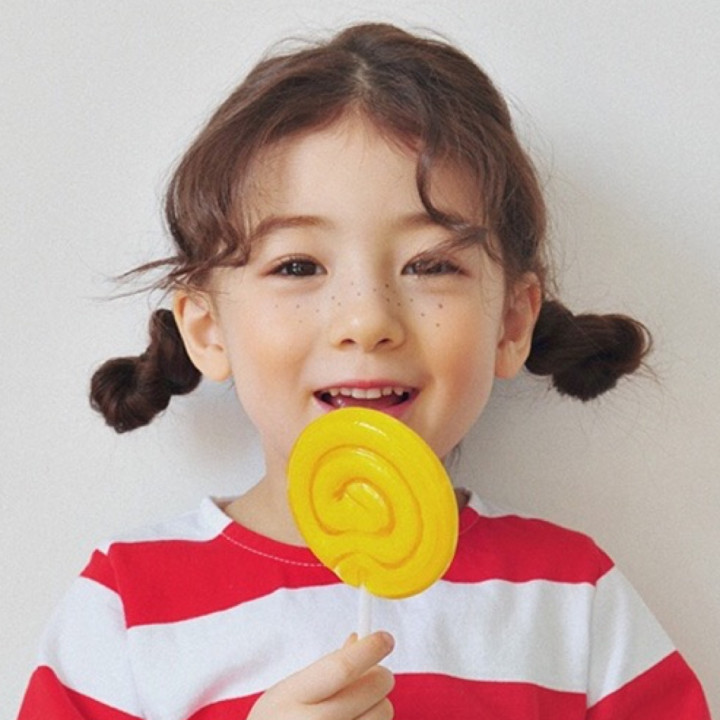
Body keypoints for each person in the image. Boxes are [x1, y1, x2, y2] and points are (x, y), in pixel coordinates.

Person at [17, 22, 710, 720]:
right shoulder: (128, 608)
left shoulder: (570, 598)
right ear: (206, 327)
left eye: (430, 265)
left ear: (510, 323)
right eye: (298, 266)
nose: (367, 319)